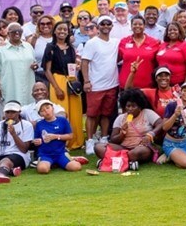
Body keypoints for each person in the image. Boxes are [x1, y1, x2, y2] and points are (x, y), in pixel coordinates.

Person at [79, 15, 120, 156]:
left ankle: (103, 138)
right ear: (98, 26)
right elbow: (85, 62)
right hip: (95, 85)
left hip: (112, 84)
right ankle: (90, 140)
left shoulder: (115, 42)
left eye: (108, 24)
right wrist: (86, 81)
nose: (106, 26)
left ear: (112, 26)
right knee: (91, 114)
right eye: (103, 24)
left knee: (106, 114)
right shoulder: (92, 43)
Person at [40, 20, 83, 149]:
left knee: (75, 111)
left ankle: (76, 141)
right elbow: (47, 70)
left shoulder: (71, 48)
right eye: (59, 29)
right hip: (57, 81)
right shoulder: (50, 47)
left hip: (71, 80)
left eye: (65, 29)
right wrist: (56, 88)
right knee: (61, 112)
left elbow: (73, 66)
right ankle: (62, 142)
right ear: (55, 31)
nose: (62, 31)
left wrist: (77, 68)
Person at [108, 89, 161, 171]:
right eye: (128, 106)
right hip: (124, 147)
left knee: (135, 153)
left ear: (140, 107)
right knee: (99, 147)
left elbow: (161, 124)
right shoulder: (121, 118)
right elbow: (113, 139)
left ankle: (113, 160)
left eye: (133, 106)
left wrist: (150, 135)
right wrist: (122, 133)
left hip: (141, 146)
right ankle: (128, 162)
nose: (130, 109)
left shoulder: (147, 113)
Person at [0, 23, 36, 106]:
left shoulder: (28, 47)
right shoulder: (0, 50)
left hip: (28, 87)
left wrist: (35, 66)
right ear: (8, 33)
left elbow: (33, 62)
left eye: (19, 31)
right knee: (10, 113)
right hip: (9, 87)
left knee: (28, 112)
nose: (17, 33)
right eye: (14, 31)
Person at [32, 100, 84, 174]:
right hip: (45, 154)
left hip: (60, 153)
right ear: (40, 114)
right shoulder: (39, 124)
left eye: (47, 108)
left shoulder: (62, 121)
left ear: (52, 108)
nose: (46, 111)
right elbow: (36, 140)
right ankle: (49, 163)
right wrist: (37, 141)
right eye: (42, 111)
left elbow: (70, 136)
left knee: (76, 167)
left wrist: (55, 137)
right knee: (43, 170)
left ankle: (68, 160)